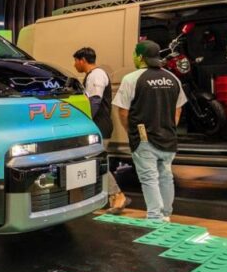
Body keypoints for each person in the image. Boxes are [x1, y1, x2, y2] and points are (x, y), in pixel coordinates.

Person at [112, 40, 187, 223]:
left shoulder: (131, 79)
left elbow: (123, 111)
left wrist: (130, 131)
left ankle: (154, 216)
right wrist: (170, 127)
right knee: (166, 176)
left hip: (144, 136)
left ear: (140, 57)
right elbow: (178, 109)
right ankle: (166, 214)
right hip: (168, 136)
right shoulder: (172, 78)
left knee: (149, 178)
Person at [72, 47, 129, 213]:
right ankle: (106, 197)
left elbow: (94, 101)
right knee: (94, 162)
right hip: (99, 126)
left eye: (75, 61)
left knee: (96, 162)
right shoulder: (94, 75)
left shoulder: (96, 75)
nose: (74, 65)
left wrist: (84, 123)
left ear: (82, 60)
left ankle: (117, 195)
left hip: (99, 126)